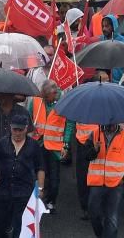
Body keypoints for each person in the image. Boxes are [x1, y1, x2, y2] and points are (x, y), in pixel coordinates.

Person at [0, 112, 46, 237]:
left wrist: (40, 188)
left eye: (21, 130)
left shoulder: (34, 146)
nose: (17, 133)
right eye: (15, 129)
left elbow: (40, 168)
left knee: (20, 227)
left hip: (24, 192)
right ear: (10, 128)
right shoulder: (2, 143)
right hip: (3, 191)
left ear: (26, 128)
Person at [82, 121, 124, 238]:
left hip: (116, 184)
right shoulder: (94, 134)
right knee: (93, 214)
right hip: (96, 182)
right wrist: (94, 150)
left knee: (111, 217)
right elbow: (85, 156)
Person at [25, 80, 70, 212]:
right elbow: (28, 119)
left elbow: (69, 124)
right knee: (38, 173)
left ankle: (51, 200)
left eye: (57, 92)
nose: (56, 94)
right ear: (44, 94)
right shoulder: (35, 102)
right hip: (38, 144)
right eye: (53, 92)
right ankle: (37, 199)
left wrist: (66, 144)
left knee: (54, 177)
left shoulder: (62, 103)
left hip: (55, 146)